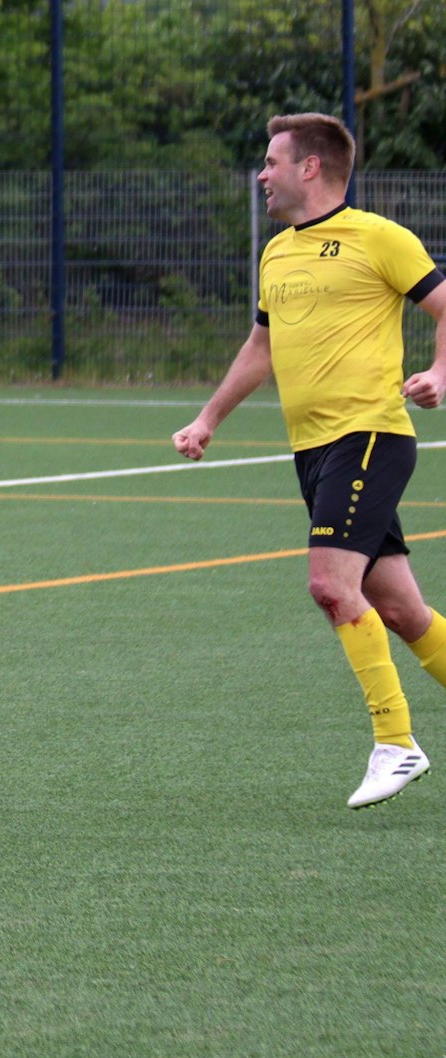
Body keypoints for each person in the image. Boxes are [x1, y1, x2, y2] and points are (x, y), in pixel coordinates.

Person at [173, 111, 446, 810]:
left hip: (370, 437)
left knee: (329, 585)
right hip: (313, 450)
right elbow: (260, 348)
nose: (261, 174)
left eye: (271, 160)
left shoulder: (379, 237)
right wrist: (208, 419)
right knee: (399, 608)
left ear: (311, 167)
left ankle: (396, 742)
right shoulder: (275, 253)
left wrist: (441, 372)